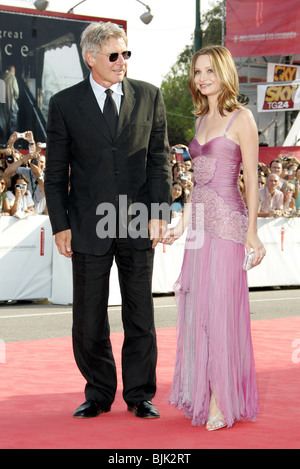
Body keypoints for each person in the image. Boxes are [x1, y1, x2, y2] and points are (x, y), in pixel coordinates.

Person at [44, 21, 172, 420]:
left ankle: (139, 394)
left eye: (126, 54)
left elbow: (160, 161)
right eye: (114, 55)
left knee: (140, 313)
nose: (122, 62)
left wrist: (161, 214)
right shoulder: (64, 104)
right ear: (90, 58)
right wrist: (60, 225)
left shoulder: (150, 96)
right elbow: (55, 172)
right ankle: (98, 393)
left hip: (136, 220)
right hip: (87, 224)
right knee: (88, 317)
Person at [162, 45, 265, 430]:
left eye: (209, 70)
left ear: (224, 72)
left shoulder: (243, 118)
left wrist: (252, 230)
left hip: (228, 227)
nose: (202, 78)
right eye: (197, 71)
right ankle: (204, 392)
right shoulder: (200, 119)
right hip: (201, 229)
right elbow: (198, 186)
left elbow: (252, 179)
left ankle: (222, 400)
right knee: (199, 312)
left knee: (222, 311)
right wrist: (180, 224)